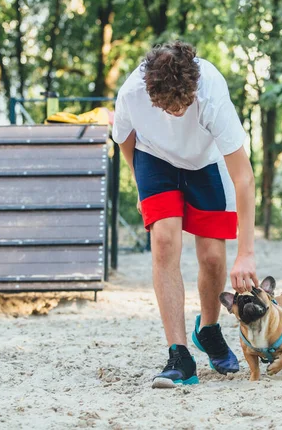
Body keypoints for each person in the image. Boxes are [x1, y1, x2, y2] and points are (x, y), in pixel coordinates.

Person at [112, 41, 259, 389]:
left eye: (184, 105)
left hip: (204, 162)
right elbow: (124, 139)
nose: (177, 113)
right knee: (164, 241)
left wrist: (246, 253)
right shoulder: (131, 92)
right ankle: (178, 355)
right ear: (150, 90)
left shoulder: (211, 92)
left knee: (211, 257)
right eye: (168, 107)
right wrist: (141, 187)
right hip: (154, 160)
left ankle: (208, 330)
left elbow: (244, 178)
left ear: (194, 87)